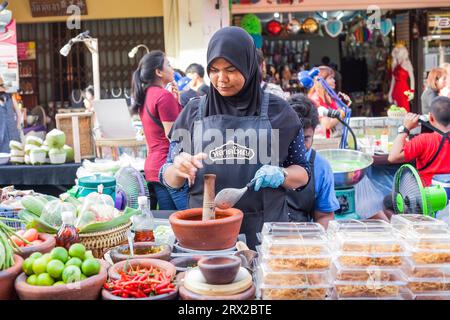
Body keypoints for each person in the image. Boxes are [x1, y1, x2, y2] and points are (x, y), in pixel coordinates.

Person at [160, 27, 310, 249]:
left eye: (231, 69)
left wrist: (282, 174)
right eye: (214, 70)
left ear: (249, 66)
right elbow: (167, 176)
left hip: (266, 234)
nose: (221, 79)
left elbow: (303, 174)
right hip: (205, 233)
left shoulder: (278, 111)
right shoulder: (193, 113)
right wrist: (178, 168)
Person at [131, 50, 183, 210]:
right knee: (188, 220)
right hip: (168, 167)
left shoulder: (146, 95)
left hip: (154, 167)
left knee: (169, 221)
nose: (172, 68)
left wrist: (177, 102)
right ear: (158, 72)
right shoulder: (163, 96)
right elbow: (174, 137)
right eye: (168, 65)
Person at [286, 94, 339, 228]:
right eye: (292, 138)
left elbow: (324, 216)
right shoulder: (269, 158)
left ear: (314, 132)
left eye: (305, 139)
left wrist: (313, 240)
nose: (298, 147)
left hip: (303, 235)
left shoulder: (321, 167)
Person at [388, 96, 450, 187]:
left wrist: (405, 129)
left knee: (388, 199)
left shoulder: (424, 140)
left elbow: (392, 157)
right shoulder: (424, 140)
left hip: (429, 197)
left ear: (431, 118)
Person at [308, 66, 346, 139]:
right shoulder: (316, 99)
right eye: (330, 78)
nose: (334, 80)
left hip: (336, 138)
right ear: (322, 80)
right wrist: (342, 113)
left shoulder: (330, 96)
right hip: (324, 142)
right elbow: (327, 125)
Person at [388, 44, 415, 112]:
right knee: (396, 111)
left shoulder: (407, 63)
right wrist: (390, 93)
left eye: (398, 53)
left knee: (404, 110)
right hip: (396, 90)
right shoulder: (394, 64)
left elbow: (412, 78)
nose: (397, 56)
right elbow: (393, 81)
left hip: (404, 91)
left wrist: (412, 92)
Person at [0, 75, 22, 153]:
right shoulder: (11, 96)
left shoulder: (11, 97)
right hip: (13, 135)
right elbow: (19, 115)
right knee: (15, 158)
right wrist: (17, 128)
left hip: (2, 137)